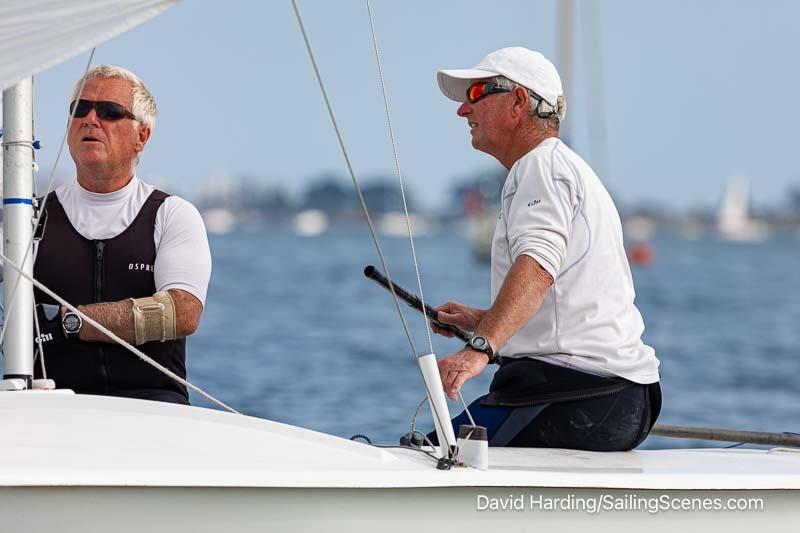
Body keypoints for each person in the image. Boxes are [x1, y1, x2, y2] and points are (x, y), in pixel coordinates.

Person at [430, 47, 661, 450]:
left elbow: (537, 272)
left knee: (427, 452)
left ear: (519, 102)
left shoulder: (540, 166)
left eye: (477, 92)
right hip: (608, 395)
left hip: (580, 394)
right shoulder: (559, 168)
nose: (463, 112)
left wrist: (478, 351)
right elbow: (564, 303)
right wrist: (481, 320)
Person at [32, 65, 211, 405]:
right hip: (49, 407)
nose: (90, 119)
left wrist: (72, 322)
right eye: (80, 108)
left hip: (152, 404)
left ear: (141, 136)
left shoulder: (172, 215)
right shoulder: (26, 220)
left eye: (110, 112)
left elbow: (180, 312)